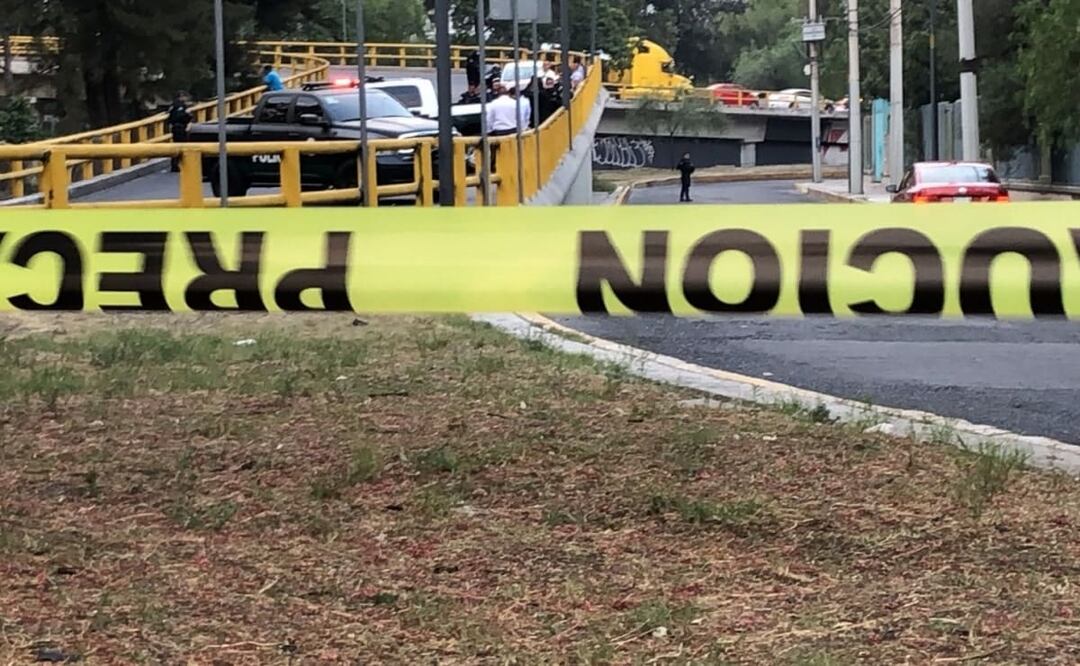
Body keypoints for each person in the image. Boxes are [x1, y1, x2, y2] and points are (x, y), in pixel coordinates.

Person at [166, 91, 192, 173]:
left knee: (176, 146)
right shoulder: (181, 106)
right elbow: (183, 116)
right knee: (183, 146)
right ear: (181, 97)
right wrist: (189, 116)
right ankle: (181, 164)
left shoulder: (172, 105)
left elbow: (169, 118)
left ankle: (174, 165)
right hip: (180, 127)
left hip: (174, 127)